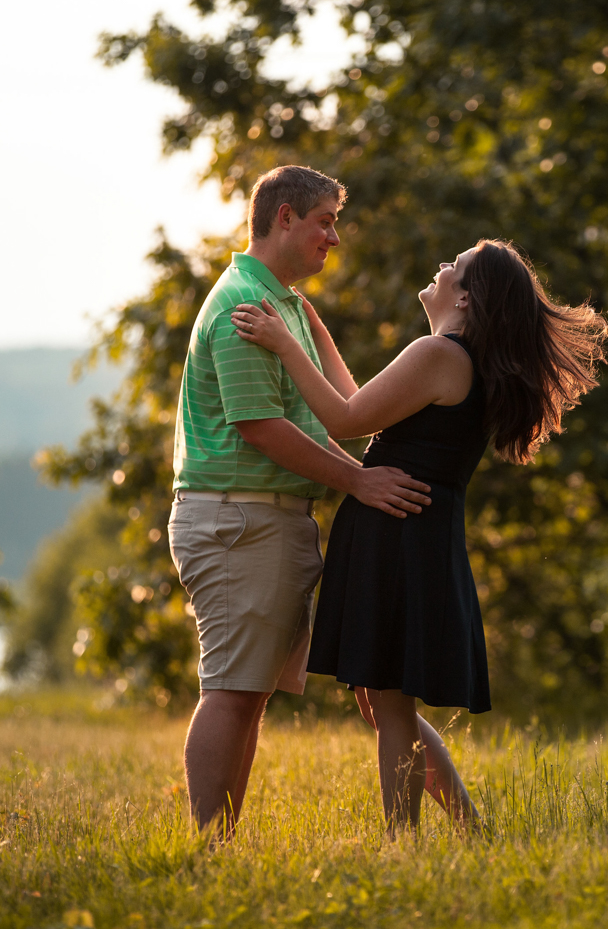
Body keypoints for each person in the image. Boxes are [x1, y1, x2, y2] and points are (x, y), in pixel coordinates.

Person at [231, 238, 608, 834]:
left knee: (388, 702)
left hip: (397, 538)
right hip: (410, 536)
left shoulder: (438, 354)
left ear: (466, 295)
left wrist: (282, 343)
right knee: (381, 700)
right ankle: (470, 828)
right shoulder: (459, 360)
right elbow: (359, 404)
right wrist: (311, 330)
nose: (440, 266)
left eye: (452, 267)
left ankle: (403, 842)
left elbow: (348, 420)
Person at [167, 165, 433, 837]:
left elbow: (348, 408)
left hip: (267, 521)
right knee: (230, 691)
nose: (334, 239)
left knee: (248, 696)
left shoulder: (282, 303)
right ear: (284, 218)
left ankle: (219, 842)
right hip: (238, 519)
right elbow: (260, 427)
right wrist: (357, 480)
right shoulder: (243, 308)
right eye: (324, 221)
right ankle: (207, 848)